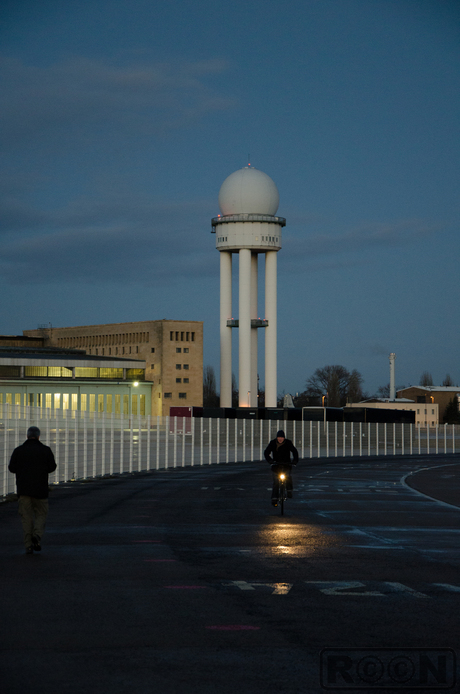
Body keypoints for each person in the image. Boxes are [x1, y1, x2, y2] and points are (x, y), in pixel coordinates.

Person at [9, 426, 56, 554]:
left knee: (26, 518)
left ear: (27, 436)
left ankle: (28, 546)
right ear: (39, 436)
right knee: (41, 514)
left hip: (23, 490)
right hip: (40, 490)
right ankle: (37, 535)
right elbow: (52, 467)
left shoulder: (19, 451)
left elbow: (11, 468)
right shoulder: (45, 450)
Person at [264, 429, 299, 506]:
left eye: (282, 437)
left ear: (284, 438)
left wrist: (295, 461)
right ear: (277, 438)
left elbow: (294, 451)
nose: (280, 439)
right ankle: (274, 499)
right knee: (276, 482)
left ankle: (289, 490)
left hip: (286, 464)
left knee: (288, 476)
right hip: (276, 465)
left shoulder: (288, 443)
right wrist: (270, 461)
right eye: (279, 437)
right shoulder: (273, 443)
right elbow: (266, 452)